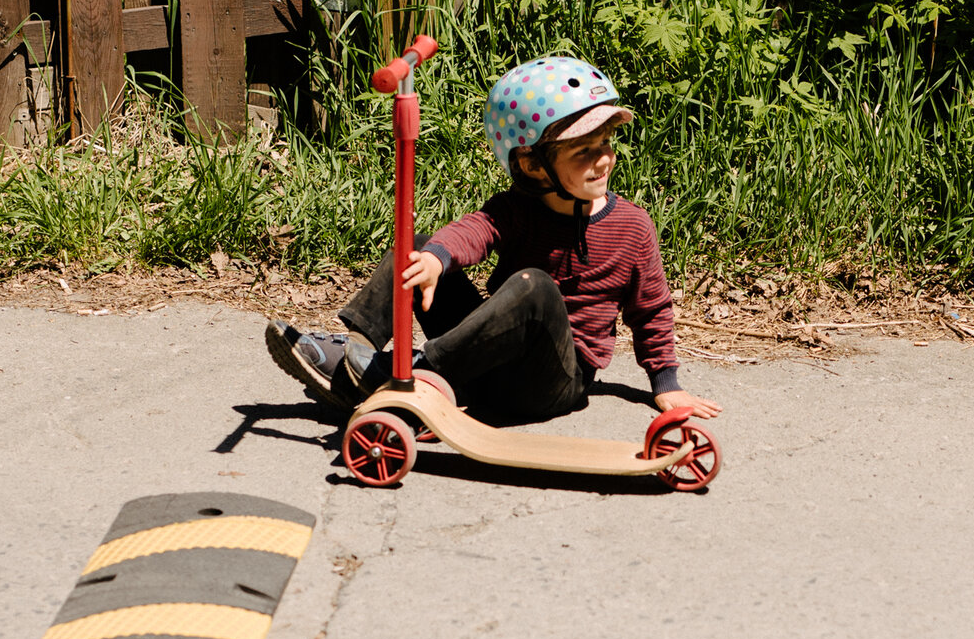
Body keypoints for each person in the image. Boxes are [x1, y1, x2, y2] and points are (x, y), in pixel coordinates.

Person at [265, 55, 724, 424]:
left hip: (550, 383)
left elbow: (651, 310)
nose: (602, 160)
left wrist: (667, 384)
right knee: (417, 247)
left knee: (534, 285)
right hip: (482, 360)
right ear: (531, 165)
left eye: (605, 144)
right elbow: (475, 229)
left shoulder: (632, 227)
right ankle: (355, 355)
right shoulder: (518, 209)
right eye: (583, 151)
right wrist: (436, 259)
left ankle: (410, 372)